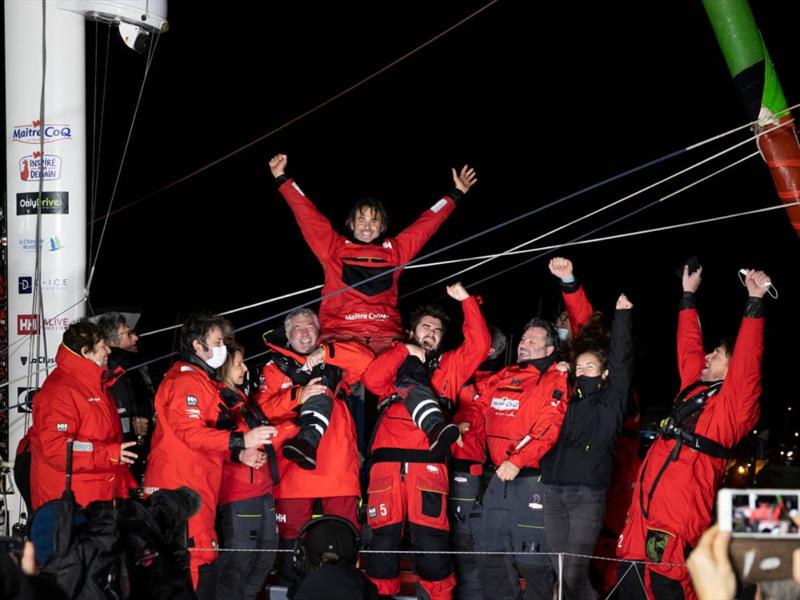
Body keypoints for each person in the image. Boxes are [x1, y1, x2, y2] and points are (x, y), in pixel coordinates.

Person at [615, 265, 772, 599]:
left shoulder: (735, 405)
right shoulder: (694, 389)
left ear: (731, 368)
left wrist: (755, 300)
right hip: (646, 507)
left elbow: (748, 359)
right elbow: (688, 346)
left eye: (718, 354)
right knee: (628, 575)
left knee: (668, 579)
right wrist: (688, 294)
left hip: (679, 510)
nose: (708, 355)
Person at [268, 153, 477, 354]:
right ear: (351, 224)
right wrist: (282, 178)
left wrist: (456, 193)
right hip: (341, 338)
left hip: (384, 339)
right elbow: (308, 215)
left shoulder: (396, 250)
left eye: (374, 221)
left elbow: (425, 225)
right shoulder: (333, 247)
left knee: (408, 378)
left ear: (382, 226)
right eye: (361, 220)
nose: (367, 227)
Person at [361, 282, 490, 600]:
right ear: (411, 331)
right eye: (425, 327)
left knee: (432, 542)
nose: (430, 332)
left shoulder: (449, 366)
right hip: (386, 465)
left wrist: (467, 303)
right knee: (382, 541)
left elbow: (480, 346)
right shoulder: (395, 358)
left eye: (436, 330)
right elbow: (371, 380)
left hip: (428, 464)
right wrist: (405, 352)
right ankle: (380, 596)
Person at [144, 313, 276, 593]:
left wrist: (238, 453)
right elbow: (189, 432)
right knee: (196, 557)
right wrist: (241, 441)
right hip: (182, 487)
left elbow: (208, 435)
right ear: (197, 346)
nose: (223, 349)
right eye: (217, 342)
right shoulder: (186, 381)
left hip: (197, 483)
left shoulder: (202, 381)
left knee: (201, 557)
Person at [253, 307, 373, 586]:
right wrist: (298, 395)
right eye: (297, 328)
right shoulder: (273, 368)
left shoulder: (335, 359)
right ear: (287, 334)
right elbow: (261, 412)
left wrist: (327, 354)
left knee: (343, 541)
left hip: (338, 468)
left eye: (310, 327)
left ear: (319, 332)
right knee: (290, 548)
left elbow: (368, 363)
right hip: (293, 468)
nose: (304, 333)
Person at [548, 256, 643, 595]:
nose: (583, 368)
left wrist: (623, 319)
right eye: (580, 364)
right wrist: (569, 283)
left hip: (587, 492)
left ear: (602, 372)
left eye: (591, 365)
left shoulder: (612, 399)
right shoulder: (564, 394)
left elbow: (619, 361)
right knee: (558, 572)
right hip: (554, 489)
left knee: (575, 573)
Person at [475, 318, 569, 600]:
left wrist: (517, 460)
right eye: (523, 340)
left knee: (533, 561)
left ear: (549, 349)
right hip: (496, 478)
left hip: (529, 478)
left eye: (533, 341)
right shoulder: (505, 375)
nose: (524, 345)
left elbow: (549, 426)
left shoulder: (555, 377)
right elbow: (476, 405)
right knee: (490, 554)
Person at [29, 319, 137, 510]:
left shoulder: (96, 385)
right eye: (103, 346)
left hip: (98, 495)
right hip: (74, 502)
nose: (109, 351)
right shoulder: (60, 391)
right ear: (86, 353)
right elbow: (57, 449)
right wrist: (110, 454)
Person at [214, 344, 280, 600]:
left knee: (266, 557)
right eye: (239, 364)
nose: (244, 368)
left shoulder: (244, 400)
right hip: (238, 492)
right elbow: (208, 443)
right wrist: (238, 453)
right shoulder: (218, 400)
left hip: (264, 489)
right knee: (239, 561)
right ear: (223, 367)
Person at [449, 323, 506, 600]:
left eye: (473, 344)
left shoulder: (503, 380)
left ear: (490, 350)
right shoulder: (458, 373)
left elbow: (478, 414)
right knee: (454, 541)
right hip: (452, 465)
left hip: (483, 470)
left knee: (475, 542)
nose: (466, 348)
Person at [96, 312, 155, 484]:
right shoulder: (113, 366)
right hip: (123, 449)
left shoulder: (133, 363)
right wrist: (132, 421)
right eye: (129, 334)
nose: (136, 338)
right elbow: (117, 402)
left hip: (134, 444)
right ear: (112, 340)